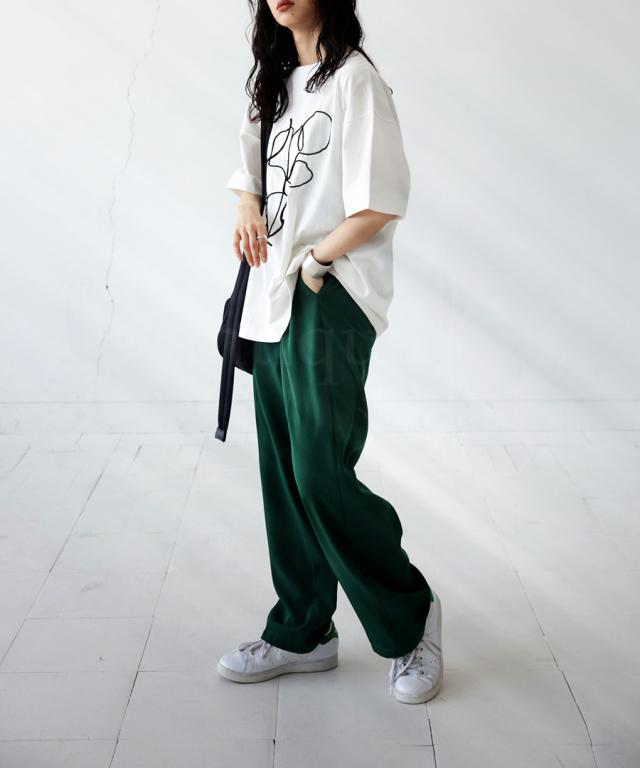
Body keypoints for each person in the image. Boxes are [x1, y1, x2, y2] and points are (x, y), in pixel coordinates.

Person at [217, 0, 443, 705]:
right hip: (270, 297)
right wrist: (246, 205)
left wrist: (318, 260)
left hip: (329, 291)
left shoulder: (355, 80)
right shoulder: (271, 82)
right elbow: (248, 176)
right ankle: (302, 630)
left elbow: (382, 200)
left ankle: (410, 618)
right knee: (284, 474)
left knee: (319, 471)